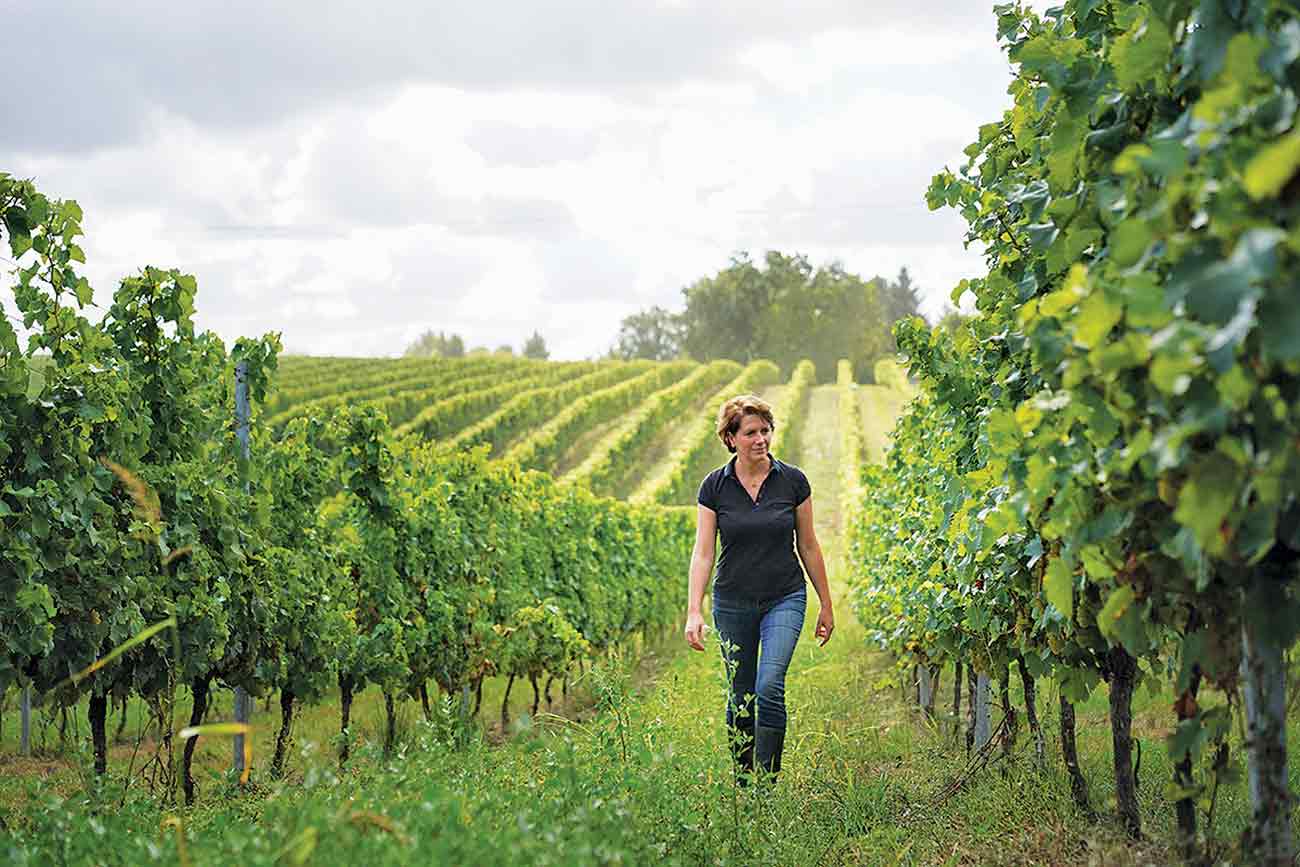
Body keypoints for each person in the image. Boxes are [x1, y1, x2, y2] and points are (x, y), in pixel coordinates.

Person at [683, 393, 833, 785]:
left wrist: (826, 604)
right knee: (741, 696)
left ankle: (766, 785)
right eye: (751, 432)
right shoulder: (714, 487)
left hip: (784, 596)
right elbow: (703, 554)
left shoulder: (793, 482)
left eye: (765, 430)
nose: (760, 439)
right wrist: (694, 610)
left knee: (768, 687)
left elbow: (810, 545)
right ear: (731, 438)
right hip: (732, 603)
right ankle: (743, 779)